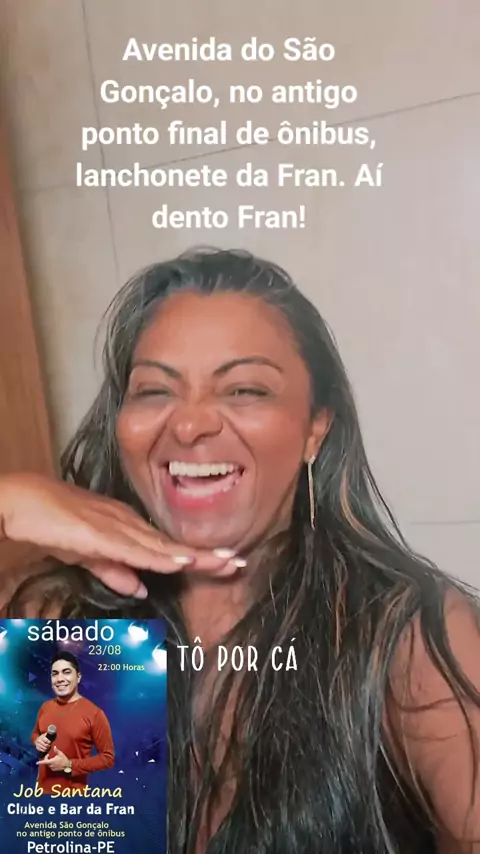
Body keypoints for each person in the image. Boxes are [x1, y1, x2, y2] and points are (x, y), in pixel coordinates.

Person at [0, 248, 479, 852]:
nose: (189, 425)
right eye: (154, 390)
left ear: (315, 428)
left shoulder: (407, 638)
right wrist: (6, 504)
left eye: (245, 389)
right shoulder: (62, 622)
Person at [32, 651, 114, 793]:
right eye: (55, 674)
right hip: (41, 793)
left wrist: (69, 764)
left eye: (66, 672)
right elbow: (35, 734)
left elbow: (108, 758)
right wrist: (37, 740)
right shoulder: (45, 707)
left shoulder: (95, 713)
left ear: (78, 677)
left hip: (73, 797)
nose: (60, 679)